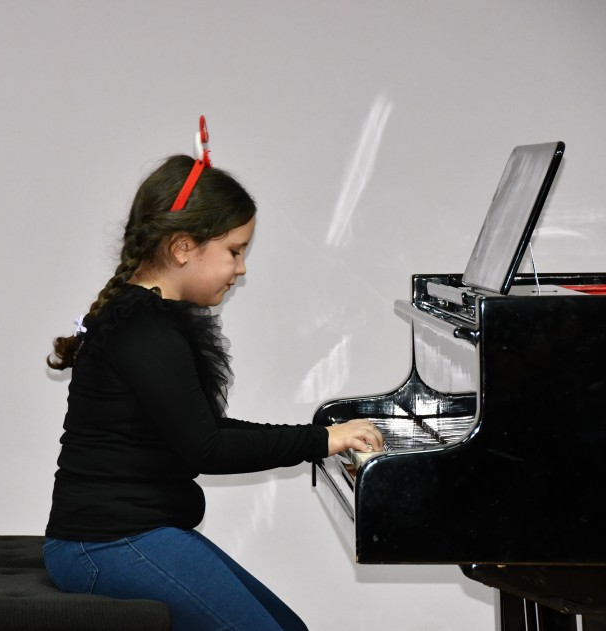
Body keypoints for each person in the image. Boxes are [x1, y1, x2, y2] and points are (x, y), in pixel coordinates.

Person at [44, 117, 383, 631]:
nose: (241, 268)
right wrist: (322, 440)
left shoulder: (148, 319)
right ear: (183, 248)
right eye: (235, 251)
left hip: (130, 534)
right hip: (104, 544)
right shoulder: (144, 329)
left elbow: (204, 432)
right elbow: (208, 450)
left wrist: (323, 437)